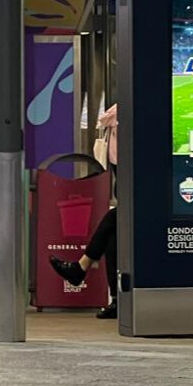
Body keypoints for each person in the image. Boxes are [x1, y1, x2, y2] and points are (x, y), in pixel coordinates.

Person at [50, 103, 118, 320]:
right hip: (128, 170)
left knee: (114, 221)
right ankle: (116, 298)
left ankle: (82, 267)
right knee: (114, 232)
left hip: (130, 172)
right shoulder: (128, 104)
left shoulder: (122, 106)